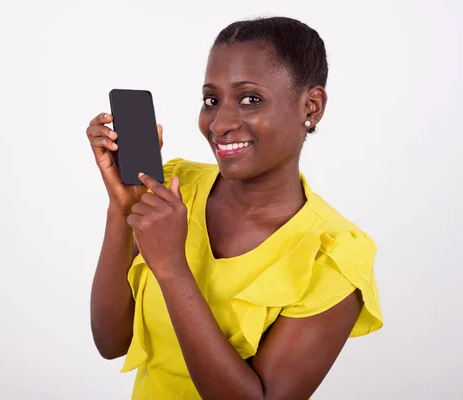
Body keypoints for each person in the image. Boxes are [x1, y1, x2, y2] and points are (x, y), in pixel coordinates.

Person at [86, 16, 383, 400]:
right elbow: (111, 341)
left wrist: (173, 269)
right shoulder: (174, 190)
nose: (220, 123)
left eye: (250, 99)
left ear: (310, 106)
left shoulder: (334, 255)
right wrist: (121, 210)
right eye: (212, 100)